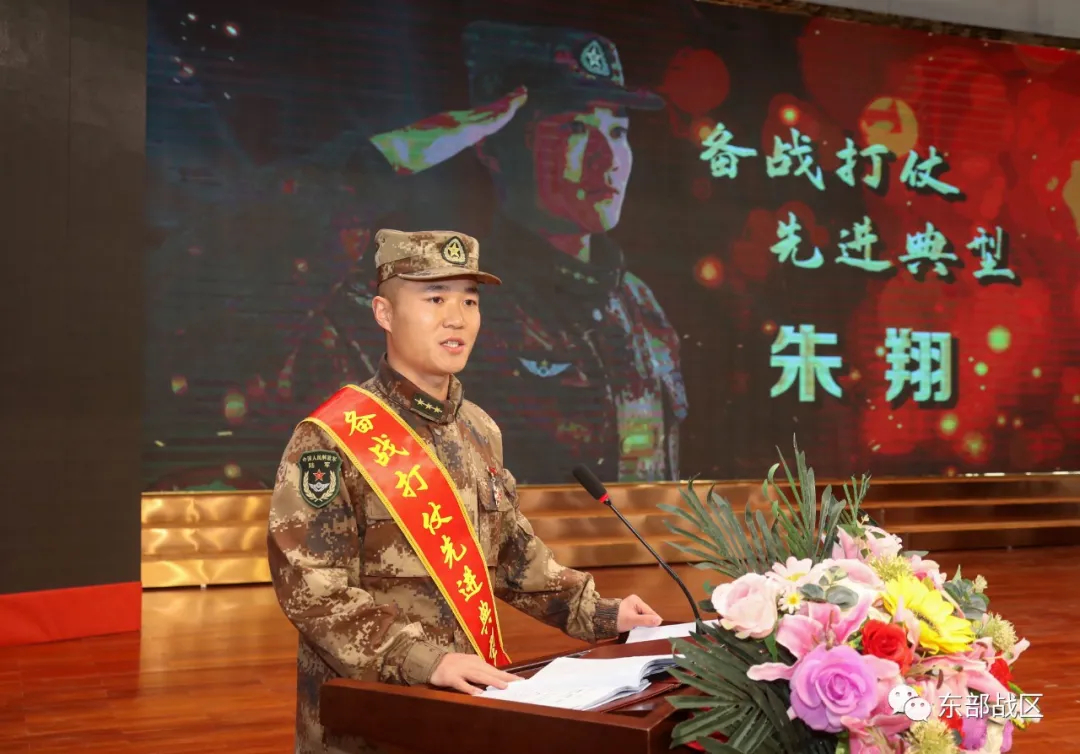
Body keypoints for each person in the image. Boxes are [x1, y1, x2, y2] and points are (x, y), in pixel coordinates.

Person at [144, 21, 687, 492]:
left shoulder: (639, 307)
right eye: (575, 130)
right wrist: (386, 159)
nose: (608, 159)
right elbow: (207, 284)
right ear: (492, 146)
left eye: (619, 131)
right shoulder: (418, 306)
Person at [267, 228, 664, 754]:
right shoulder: (330, 438)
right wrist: (424, 661)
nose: (457, 318)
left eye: (470, 301)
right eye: (435, 299)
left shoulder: (478, 429)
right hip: (371, 723)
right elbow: (313, 591)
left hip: (467, 711)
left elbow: (515, 557)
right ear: (384, 313)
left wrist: (602, 613)